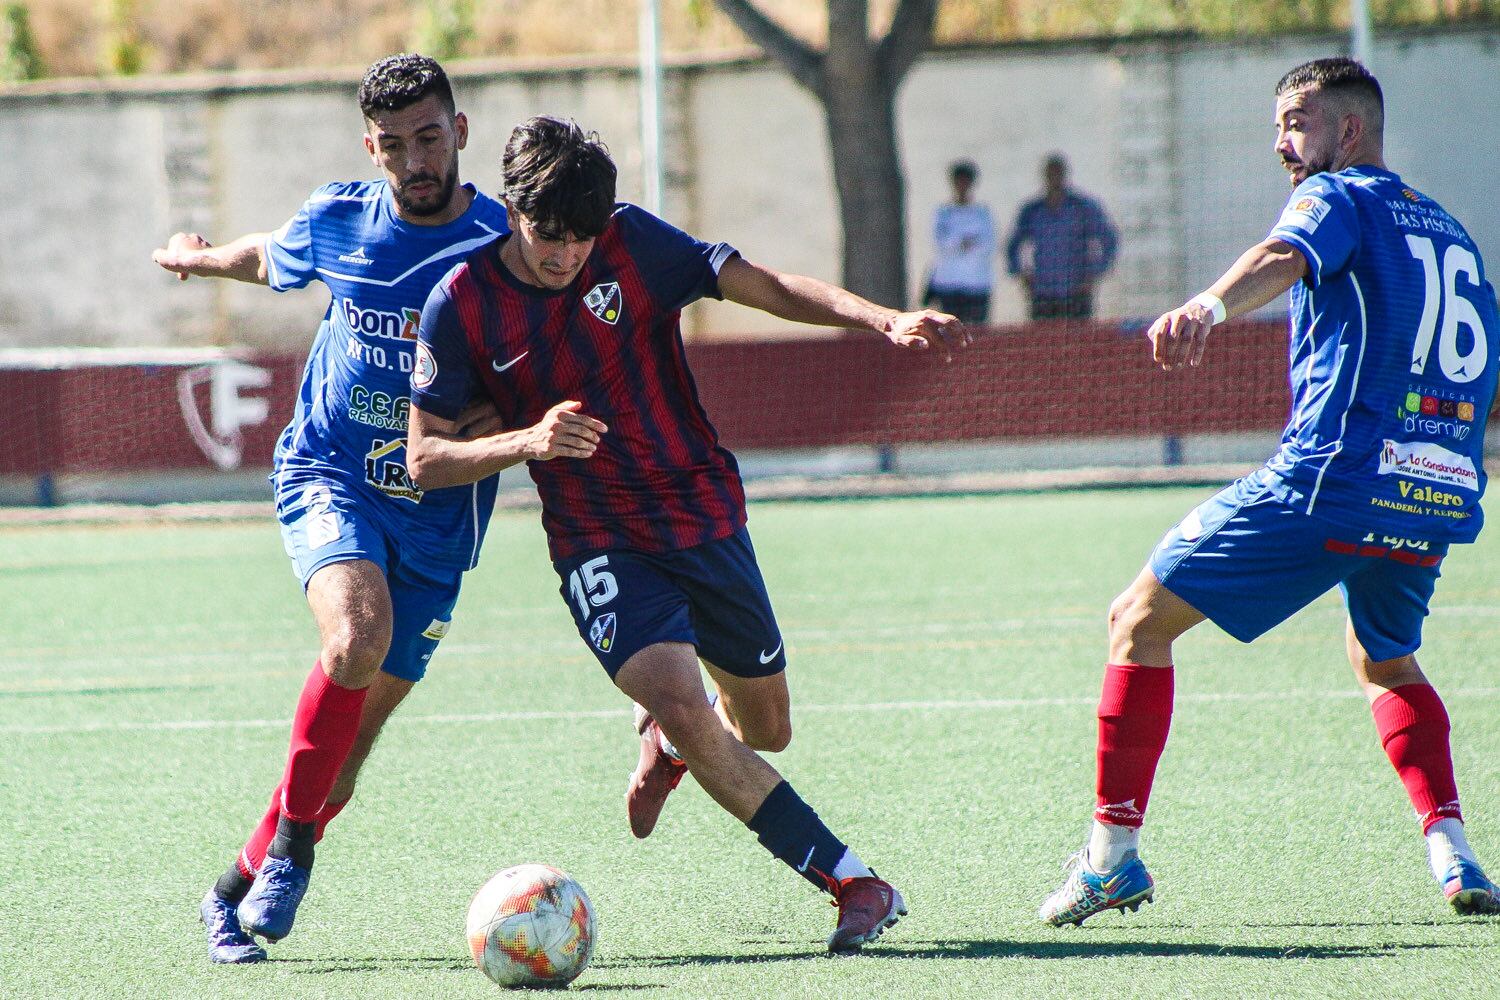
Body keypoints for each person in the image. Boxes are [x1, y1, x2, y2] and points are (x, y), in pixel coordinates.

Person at [404, 116, 966, 954]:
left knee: (765, 727)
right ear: (512, 209)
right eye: (549, 236)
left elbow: (766, 285)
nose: (567, 256)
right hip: (596, 539)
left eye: (583, 239)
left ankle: (670, 742)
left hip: (701, 512)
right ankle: (854, 882)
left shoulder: (634, 245)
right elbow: (423, 458)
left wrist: (878, 318)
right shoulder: (461, 304)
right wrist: (524, 442)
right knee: (682, 699)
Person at [1038, 57, 1499, 927]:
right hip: (1431, 494)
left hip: (1334, 479)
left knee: (1136, 622)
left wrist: (1209, 306)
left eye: (1297, 119)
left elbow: (1285, 252)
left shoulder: (1342, 196)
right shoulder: (1450, 234)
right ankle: (1454, 852)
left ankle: (1110, 859)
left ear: (1350, 130)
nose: (1282, 142)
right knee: (1386, 659)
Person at [152, 54, 540, 963]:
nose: (416, 161)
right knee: (353, 638)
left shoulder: (504, 247)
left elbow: (546, 358)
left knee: (347, 756)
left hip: (440, 510)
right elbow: (271, 256)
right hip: (331, 472)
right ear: (372, 148)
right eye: (396, 145)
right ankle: (293, 850)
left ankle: (228, 893)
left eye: (431, 139)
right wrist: (205, 259)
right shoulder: (339, 220)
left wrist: (504, 414)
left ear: (462, 134)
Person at [1005, 154, 1117, 320]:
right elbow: (1012, 245)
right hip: (1043, 294)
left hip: (1076, 291)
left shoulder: (1083, 207)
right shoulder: (1033, 210)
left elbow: (1109, 240)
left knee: (1079, 343)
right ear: (1045, 177)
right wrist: (1022, 275)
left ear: (1065, 175)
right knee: (1043, 343)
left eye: (1058, 173)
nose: (1055, 178)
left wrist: (1094, 274)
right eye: (1051, 174)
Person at [923, 160, 996, 325]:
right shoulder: (943, 213)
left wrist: (961, 244)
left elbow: (987, 245)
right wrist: (960, 242)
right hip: (948, 284)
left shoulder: (982, 214)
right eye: (958, 181)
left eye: (966, 181)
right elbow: (940, 243)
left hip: (977, 283)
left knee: (977, 331)